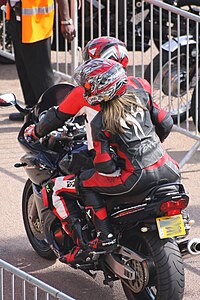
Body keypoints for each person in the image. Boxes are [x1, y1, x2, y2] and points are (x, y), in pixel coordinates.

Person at [24, 38, 175, 264]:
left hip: (132, 175)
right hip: (168, 166)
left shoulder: (98, 116)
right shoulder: (141, 87)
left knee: (66, 184)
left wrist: (35, 131)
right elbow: (165, 123)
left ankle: (103, 237)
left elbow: (104, 165)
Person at [6, 0, 76, 121]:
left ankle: (49, 116)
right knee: (24, 68)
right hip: (16, 16)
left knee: (41, 72)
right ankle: (32, 110)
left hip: (37, 22)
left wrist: (66, 20)